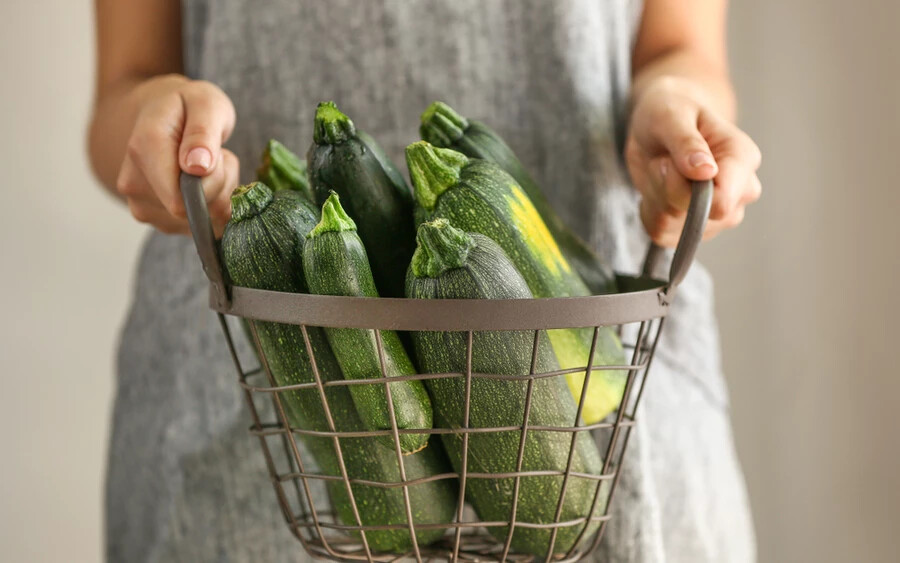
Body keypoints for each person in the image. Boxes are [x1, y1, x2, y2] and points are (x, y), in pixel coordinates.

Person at [89, 1, 761, 561]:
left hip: (599, 393)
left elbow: (680, 48)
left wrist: (679, 110)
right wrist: (160, 126)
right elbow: (127, 83)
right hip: (253, 380)